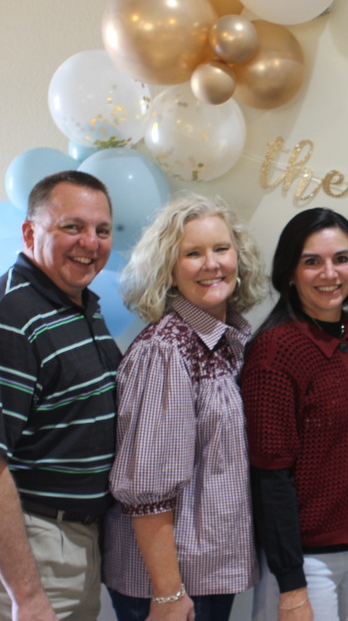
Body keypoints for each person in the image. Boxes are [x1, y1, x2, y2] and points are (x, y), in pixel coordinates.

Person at [0, 170, 120, 620]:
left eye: (102, 230)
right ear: (29, 232)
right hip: (21, 536)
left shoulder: (72, 302)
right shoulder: (6, 318)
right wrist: (27, 596)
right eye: (72, 227)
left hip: (68, 534)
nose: (90, 242)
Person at [102, 194, 267, 620]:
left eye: (221, 249)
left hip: (206, 573)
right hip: (171, 586)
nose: (212, 264)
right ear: (169, 271)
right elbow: (146, 487)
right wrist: (167, 595)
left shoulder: (226, 342)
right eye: (192, 253)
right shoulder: (167, 350)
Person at [241, 208, 348, 621]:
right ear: (289, 272)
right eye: (312, 262)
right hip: (306, 563)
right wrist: (291, 586)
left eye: (341, 258)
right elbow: (272, 476)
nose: (330, 273)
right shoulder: (276, 351)